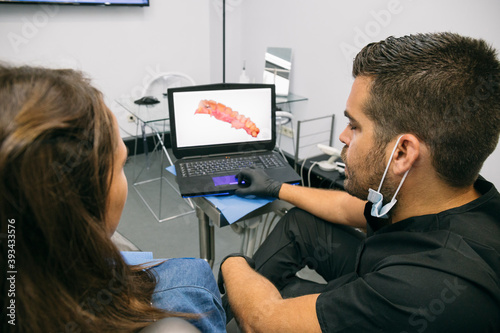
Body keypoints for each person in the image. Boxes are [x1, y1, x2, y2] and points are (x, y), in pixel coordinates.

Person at [218, 32, 500, 332]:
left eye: (355, 126)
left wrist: (234, 265)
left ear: (402, 153)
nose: (343, 136)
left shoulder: (426, 285)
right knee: (304, 223)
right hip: (383, 269)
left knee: (264, 299)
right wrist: (275, 188)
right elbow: (345, 207)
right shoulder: (444, 189)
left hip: (391, 295)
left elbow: (263, 322)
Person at [0, 65, 225, 332]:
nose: (123, 174)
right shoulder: (187, 285)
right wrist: (234, 263)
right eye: (121, 165)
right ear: (77, 204)